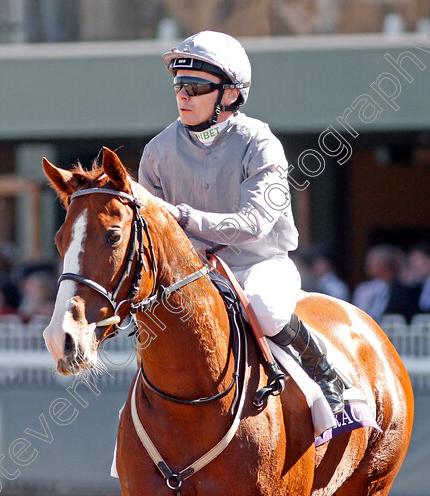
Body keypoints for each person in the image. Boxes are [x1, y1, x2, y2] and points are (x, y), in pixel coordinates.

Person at [138, 31, 343, 414]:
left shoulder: (261, 143)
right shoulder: (157, 151)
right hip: (195, 273)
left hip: (258, 264)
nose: (183, 95)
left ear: (229, 95)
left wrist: (182, 216)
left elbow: (254, 224)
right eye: (179, 84)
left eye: (196, 86)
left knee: (265, 309)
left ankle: (325, 371)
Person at [352, 244, 419, 321]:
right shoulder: (367, 289)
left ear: (384, 264)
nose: (367, 264)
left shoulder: (402, 291)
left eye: (372, 261)